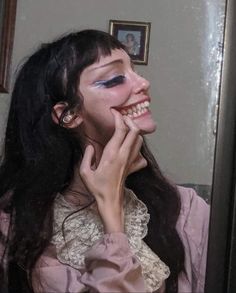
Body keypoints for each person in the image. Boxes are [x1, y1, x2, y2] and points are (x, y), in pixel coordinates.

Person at [0, 29, 209, 293]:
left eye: (134, 71)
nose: (142, 83)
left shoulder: (186, 209)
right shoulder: (19, 230)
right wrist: (111, 215)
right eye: (114, 79)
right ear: (68, 114)